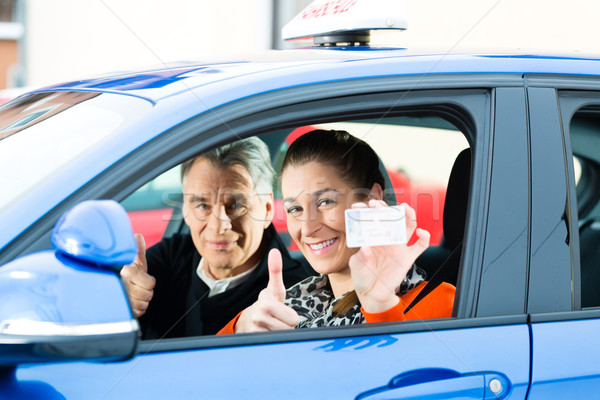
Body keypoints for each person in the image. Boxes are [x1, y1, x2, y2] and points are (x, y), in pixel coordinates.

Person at [218, 129, 455, 334]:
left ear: (372, 198)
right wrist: (242, 326)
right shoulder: (284, 308)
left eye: (325, 202)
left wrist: (381, 308)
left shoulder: (442, 304)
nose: (308, 228)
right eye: (295, 208)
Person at [120, 137, 314, 338]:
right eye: (203, 206)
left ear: (266, 209)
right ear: (186, 210)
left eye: (236, 206)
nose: (219, 225)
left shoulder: (297, 290)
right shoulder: (169, 258)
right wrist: (120, 302)